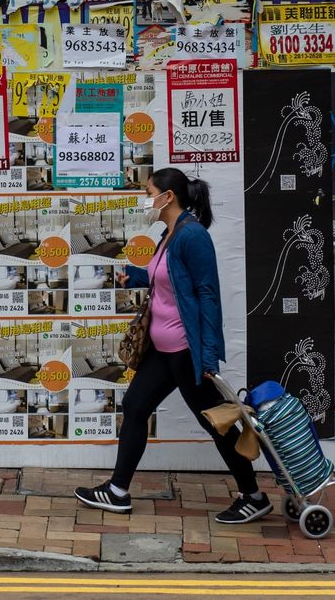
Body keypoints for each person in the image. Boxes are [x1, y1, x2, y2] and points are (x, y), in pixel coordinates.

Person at [75, 168, 270, 524]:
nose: (146, 199)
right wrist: (132, 276)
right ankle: (118, 491)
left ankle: (253, 495)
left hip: (185, 352)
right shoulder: (169, 233)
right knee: (135, 407)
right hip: (163, 351)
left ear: (169, 196)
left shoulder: (192, 236)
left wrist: (208, 356)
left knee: (216, 422)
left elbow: (207, 295)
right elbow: (165, 280)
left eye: (149, 191)